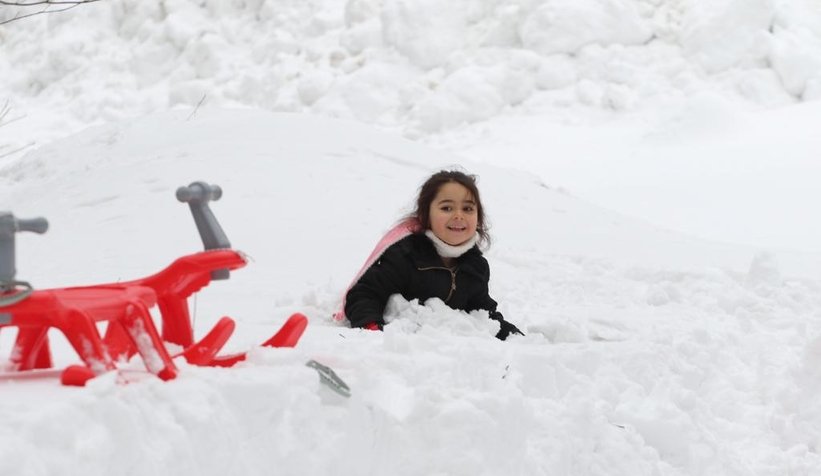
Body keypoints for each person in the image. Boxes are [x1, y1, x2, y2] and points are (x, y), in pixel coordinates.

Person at [343, 170, 524, 340]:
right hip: (403, 347)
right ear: (425, 215)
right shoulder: (405, 255)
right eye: (446, 208)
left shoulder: (475, 267)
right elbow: (365, 294)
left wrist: (514, 337)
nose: (459, 216)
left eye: (468, 209)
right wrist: (372, 329)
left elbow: (483, 314)